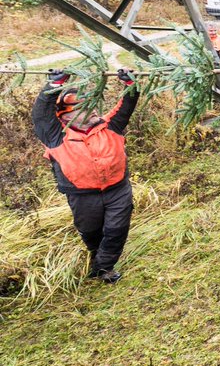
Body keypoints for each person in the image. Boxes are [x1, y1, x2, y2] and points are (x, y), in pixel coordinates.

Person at [32, 68, 140, 284]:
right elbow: (41, 115)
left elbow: (126, 106)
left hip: (117, 189)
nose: (92, 111)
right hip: (82, 196)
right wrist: (54, 86)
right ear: (66, 115)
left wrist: (131, 85)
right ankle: (96, 256)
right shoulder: (55, 135)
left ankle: (104, 268)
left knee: (116, 228)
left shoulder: (110, 126)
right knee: (91, 231)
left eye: (92, 106)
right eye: (84, 109)